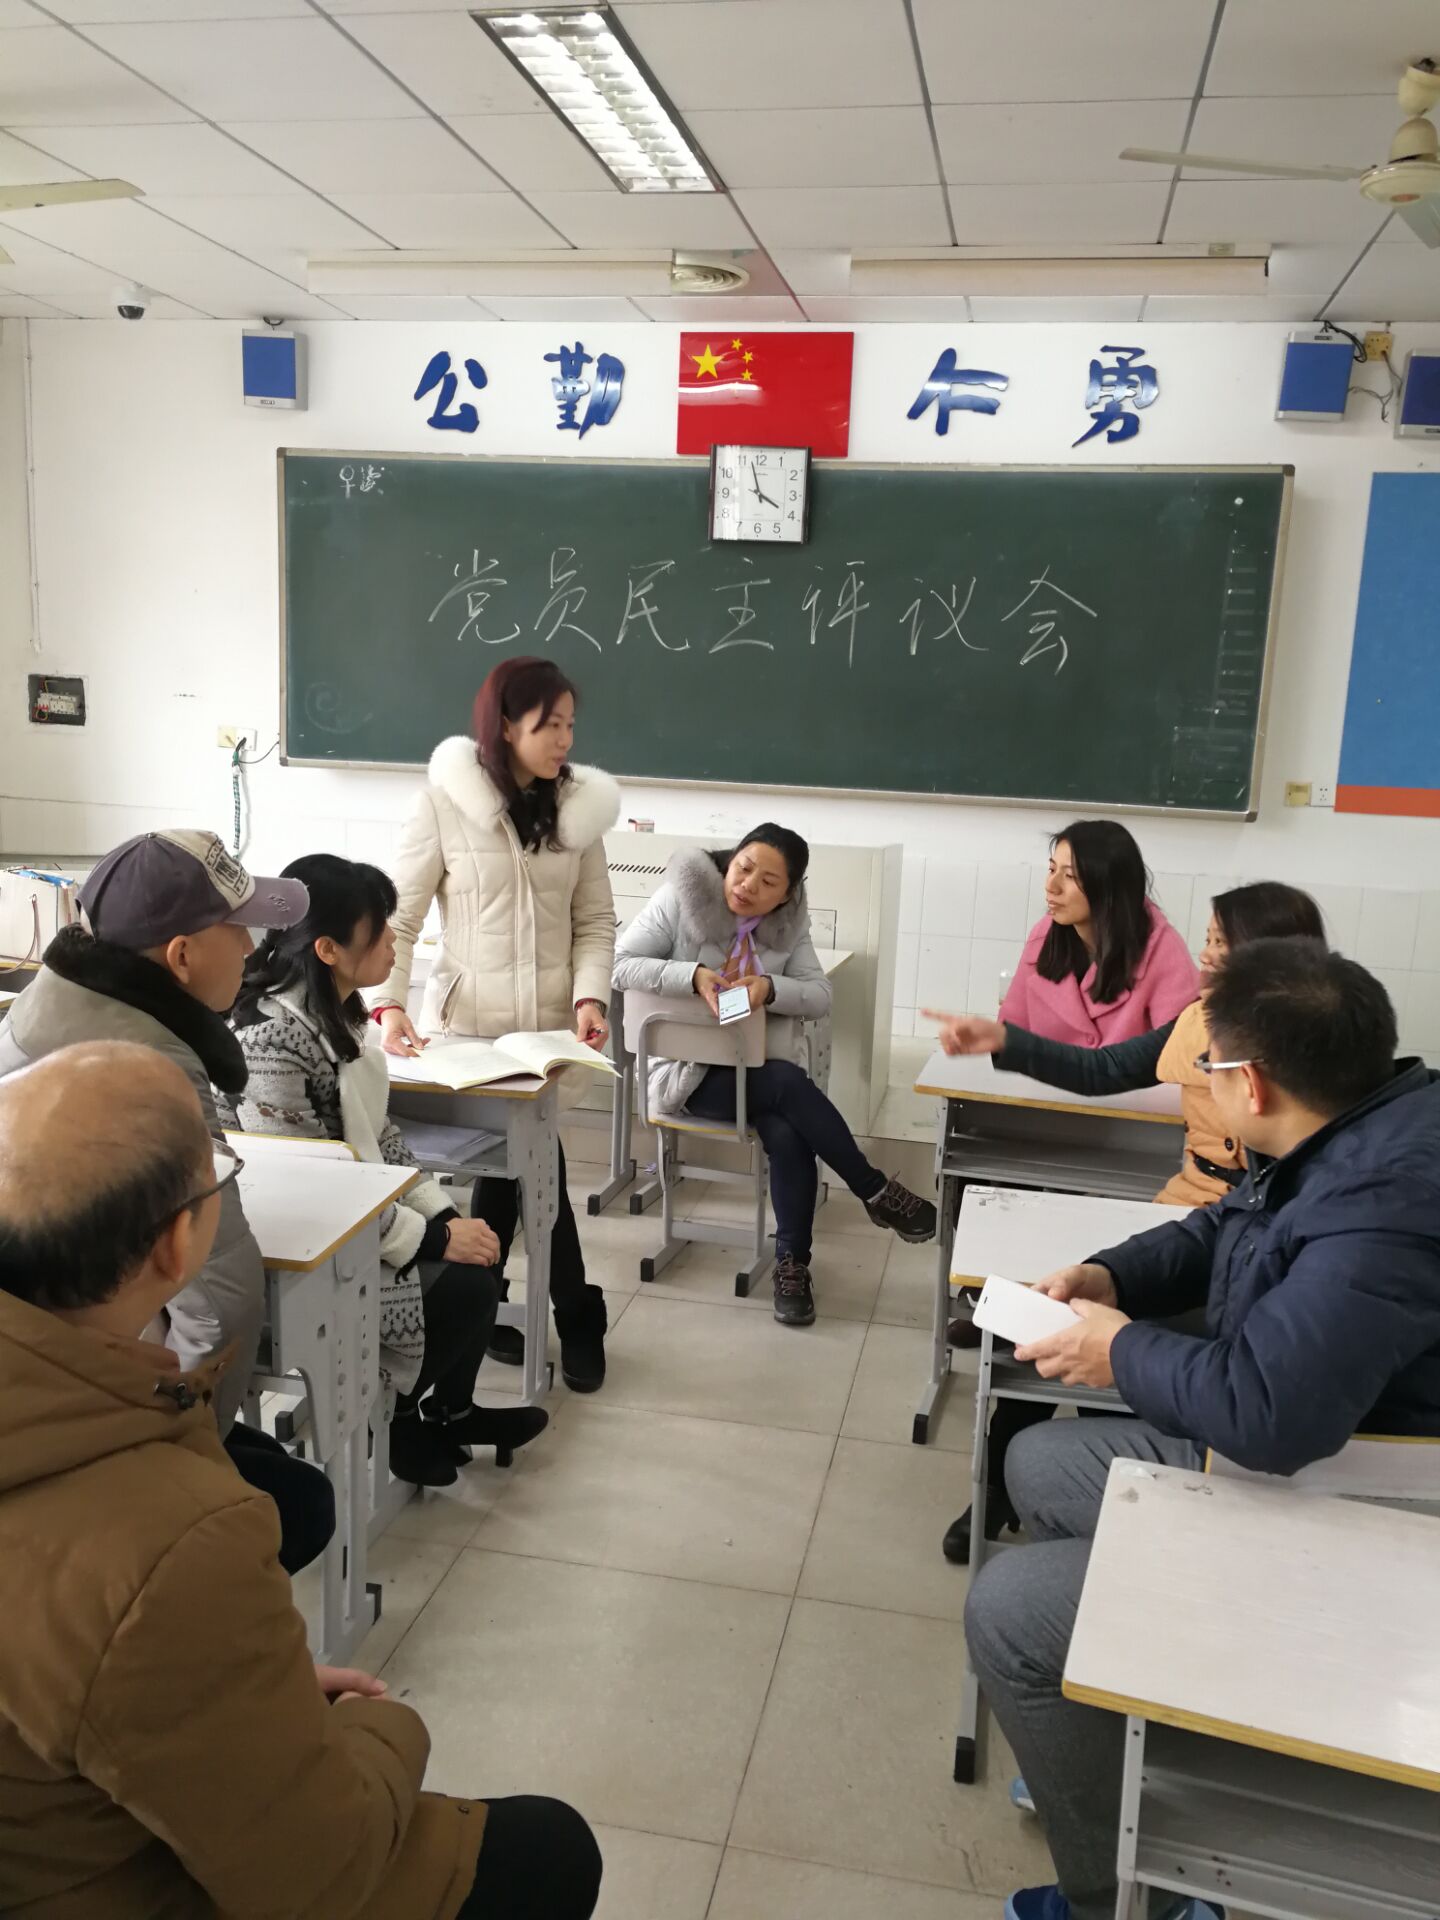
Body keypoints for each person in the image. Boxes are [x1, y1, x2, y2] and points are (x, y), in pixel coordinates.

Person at [0, 1040, 603, 1920]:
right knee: (552, 1849)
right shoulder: (175, 1542)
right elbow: (323, 1871)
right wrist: (384, 1727)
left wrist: (240, 1696)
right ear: (179, 1243)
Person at [963, 940, 1440, 1920]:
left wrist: (1118, 1351)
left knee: (1007, 1611)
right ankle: (1110, 1744)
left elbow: (1269, 1413)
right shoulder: (1354, 1124)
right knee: (1036, 1463)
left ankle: (1119, 1899)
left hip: (1360, 1507)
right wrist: (1111, 1276)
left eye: (1209, 1066)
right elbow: (1225, 1227)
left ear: (1251, 1084)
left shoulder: (1387, 1206)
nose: (1202, 1083)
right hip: (1315, 1454)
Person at [928, 881, 1328, 1567]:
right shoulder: (1203, 1016)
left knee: (1084, 1325)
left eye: (1223, 944)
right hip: (1187, 1211)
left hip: (1245, 1239)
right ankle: (1011, 1485)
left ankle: (1071, 1489)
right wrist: (1005, 1039)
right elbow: (1105, 1068)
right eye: (1208, 939)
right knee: (1056, 1310)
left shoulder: (1305, 1051)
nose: (1206, 955)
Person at [0, 828, 334, 1574]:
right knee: (295, 1503)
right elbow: (221, 1297)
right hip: (65, 1414)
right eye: (236, 930)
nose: (251, 948)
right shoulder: (151, 1071)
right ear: (182, 957)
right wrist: (186, 1453)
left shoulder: (39, 1014)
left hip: (31, 1385)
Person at [225, 854, 549, 1490]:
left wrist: (444, 1217)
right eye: (379, 932)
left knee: (480, 1247)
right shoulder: (269, 1038)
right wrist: (430, 1239)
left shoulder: (335, 1011)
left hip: (348, 1212)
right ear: (327, 949)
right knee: (465, 1285)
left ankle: (449, 1414)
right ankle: (396, 1420)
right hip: (303, 1241)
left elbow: (380, 1136)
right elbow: (303, 1184)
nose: (394, 943)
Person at [371, 658, 619, 1393]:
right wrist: (388, 1004)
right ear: (506, 725)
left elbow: (595, 922)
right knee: (527, 1170)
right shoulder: (443, 803)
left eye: (570, 724)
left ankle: (489, 1306)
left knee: (523, 1169)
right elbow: (400, 917)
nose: (565, 739)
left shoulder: (579, 813)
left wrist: (591, 999)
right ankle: (568, 1312)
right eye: (550, 725)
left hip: (546, 1034)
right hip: (468, 1032)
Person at [613, 827, 938, 1326]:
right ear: (729, 862)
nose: (747, 885)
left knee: (787, 1128)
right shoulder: (680, 899)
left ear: (787, 894)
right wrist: (692, 976)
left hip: (754, 1075)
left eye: (767, 882)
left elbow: (820, 995)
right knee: (787, 1085)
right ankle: (873, 1190)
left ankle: (792, 1265)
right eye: (743, 868)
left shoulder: (788, 926)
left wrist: (768, 987)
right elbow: (621, 964)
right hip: (685, 1077)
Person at [998, 821, 1197, 1046]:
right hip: (1041, 1071)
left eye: (1070, 876)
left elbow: (1182, 1055)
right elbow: (1009, 1034)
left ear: (1108, 886)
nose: (1051, 886)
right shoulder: (1044, 935)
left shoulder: (1164, 951)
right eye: (1052, 870)